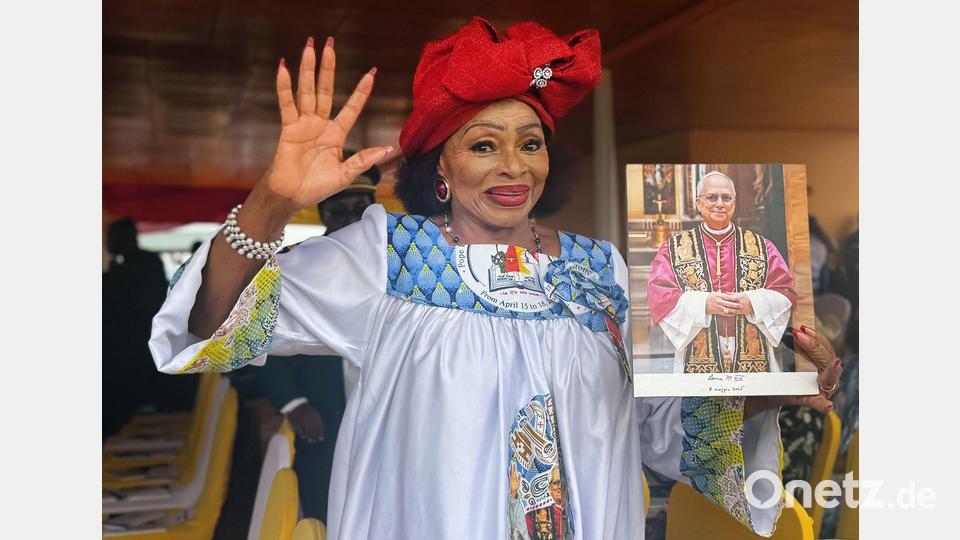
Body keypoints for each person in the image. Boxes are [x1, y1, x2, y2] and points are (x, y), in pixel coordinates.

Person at [149, 18, 841, 538]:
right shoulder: (388, 255)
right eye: (483, 144)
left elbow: (661, 430)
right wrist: (272, 201)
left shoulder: (603, 269)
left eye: (529, 142)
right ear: (441, 170)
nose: (514, 166)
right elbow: (211, 326)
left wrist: (773, 385)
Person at [247, 157, 380, 522]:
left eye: (360, 210)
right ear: (323, 214)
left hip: (381, 415)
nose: (351, 221)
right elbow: (256, 336)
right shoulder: (299, 265)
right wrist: (292, 402)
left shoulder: (399, 266)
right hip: (322, 411)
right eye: (339, 212)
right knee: (324, 506)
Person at [647, 171, 797, 374]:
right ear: (699, 203)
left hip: (753, 349)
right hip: (697, 351)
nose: (720, 204)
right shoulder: (674, 249)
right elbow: (659, 296)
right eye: (712, 197)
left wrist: (752, 303)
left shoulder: (762, 247)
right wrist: (703, 304)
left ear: (734, 203)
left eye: (726, 198)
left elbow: (786, 292)